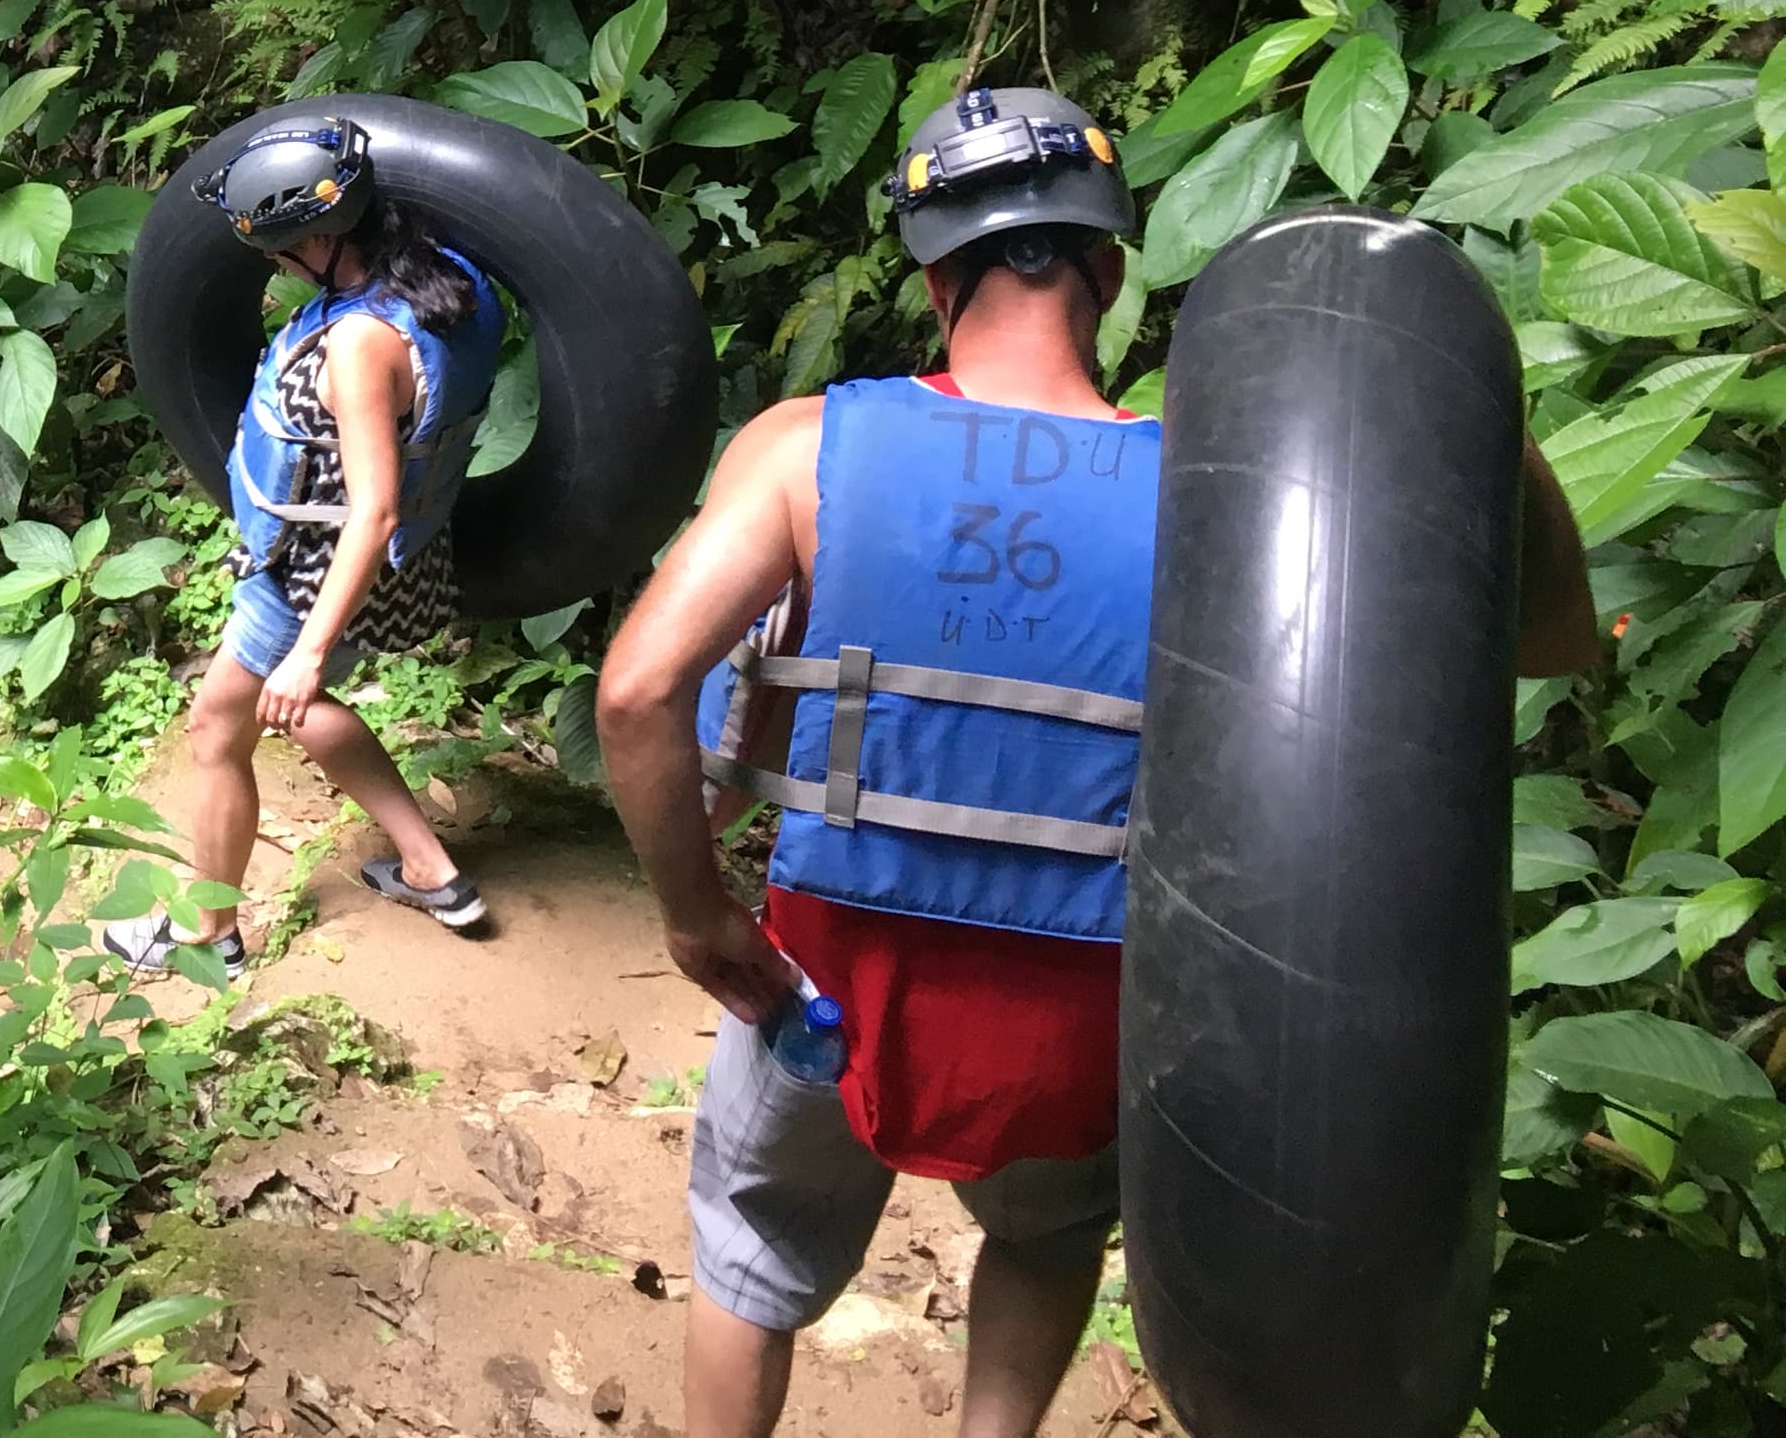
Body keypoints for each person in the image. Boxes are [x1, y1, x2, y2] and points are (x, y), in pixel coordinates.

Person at [595, 85, 1602, 1438]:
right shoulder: (1225, 498)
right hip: (1081, 1007)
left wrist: (694, 914)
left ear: (936, 275)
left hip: (826, 979)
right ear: (1111, 271)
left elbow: (641, 691)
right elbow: (1549, 642)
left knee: (751, 1247)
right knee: (1049, 1233)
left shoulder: (805, 448)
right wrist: (1449, 397)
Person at [101, 118, 508, 975]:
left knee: (219, 729)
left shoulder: (361, 346)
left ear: (322, 238)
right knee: (301, 710)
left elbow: (374, 510)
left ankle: (206, 937)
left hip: (315, 571)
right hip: (401, 572)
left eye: (281, 253)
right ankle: (433, 870)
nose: (277, 269)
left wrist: (308, 647)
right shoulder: (450, 279)